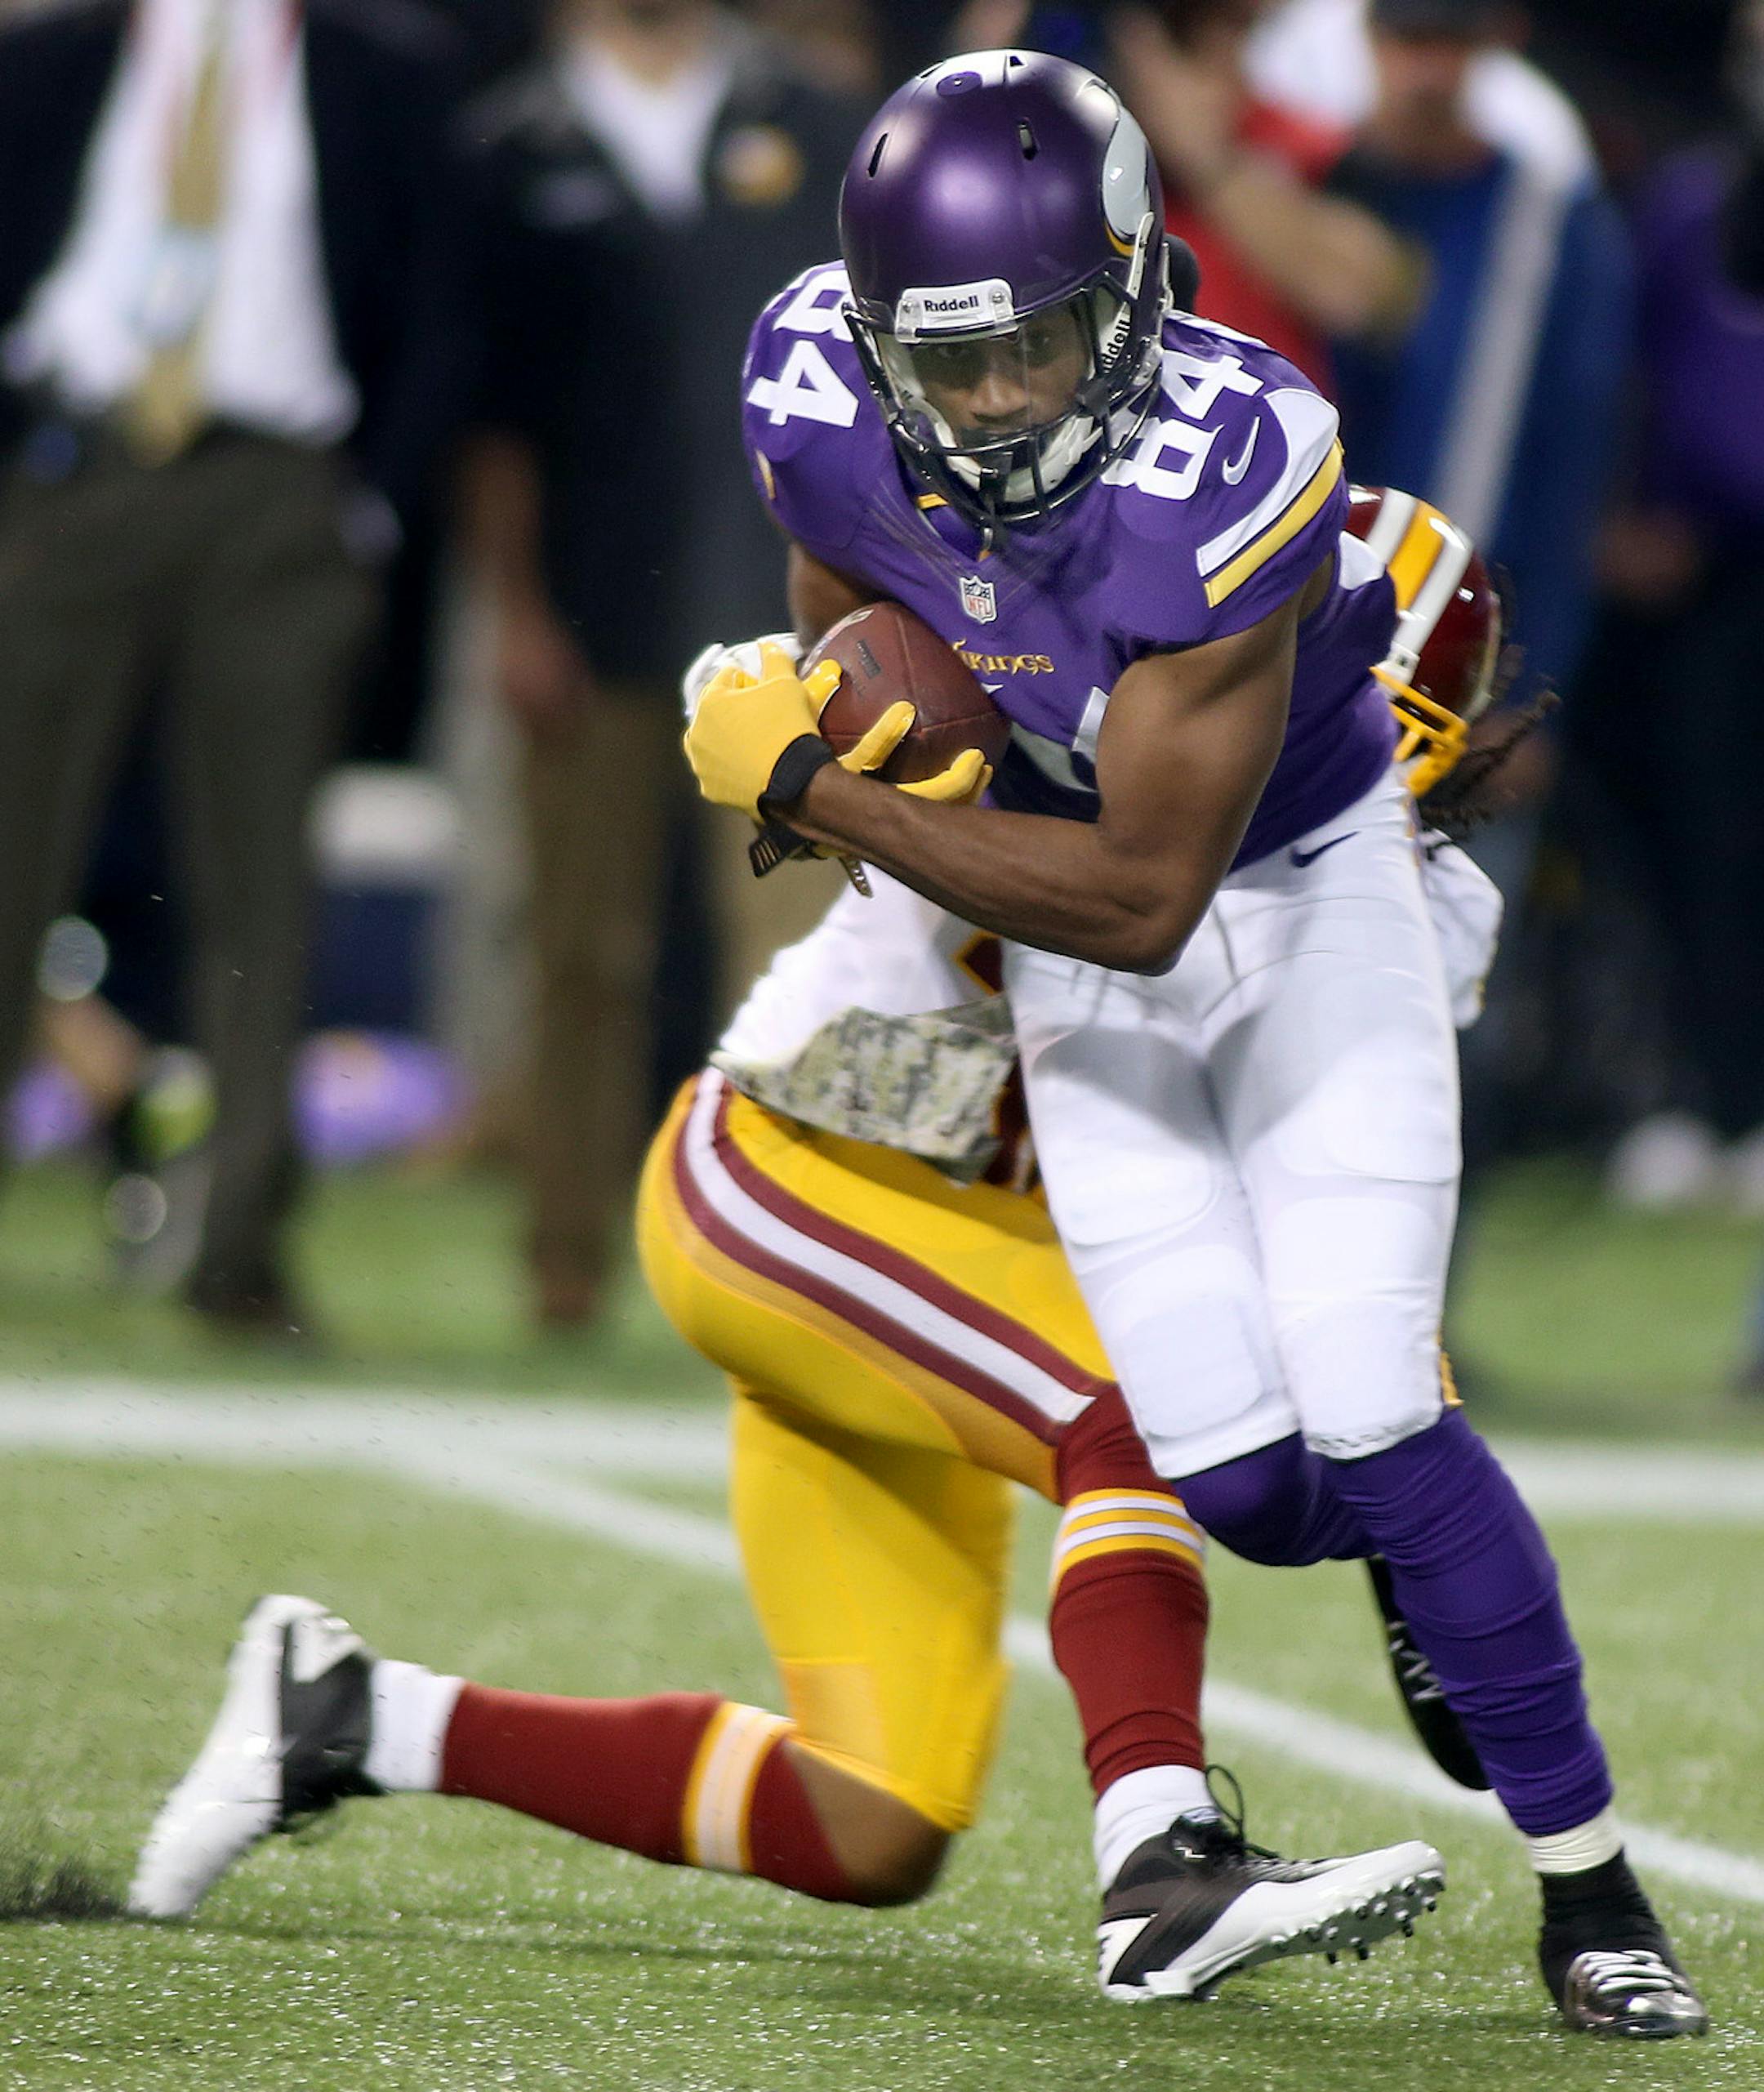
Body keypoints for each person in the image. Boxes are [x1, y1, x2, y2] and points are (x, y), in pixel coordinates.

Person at [683, 48, 1707, 2037]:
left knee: (1371, 1398)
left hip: (1293, 900)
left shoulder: (1234, 452)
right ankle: (1433, 1556)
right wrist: (860, 710)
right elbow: (858, 587)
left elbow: (1149, 894)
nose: (995, 401)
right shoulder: (811, 389)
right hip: (1060, 920)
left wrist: (824, 787)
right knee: (1239, 1482)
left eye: (1042, 346)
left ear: (1142, 287)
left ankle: (1596, 1895)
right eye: (952, 359)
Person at [127, 863, 1451, 2004]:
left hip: (952, 1263)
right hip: (798, 1174)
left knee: (874, 1821)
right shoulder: (1137, 737)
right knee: (1146, 1410)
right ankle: (1166, 1861)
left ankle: (358, 1716)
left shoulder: (1390, 892)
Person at [0, 0, 472, 1337]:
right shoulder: (52, 56)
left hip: (279, 498)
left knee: (260, 896)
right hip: (72, 473)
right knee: (9, 857)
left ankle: (241, 1247)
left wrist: (365, 508)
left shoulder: (381, 68)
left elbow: (438, 304)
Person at [458, 0, 866, 1329]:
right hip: (592, 614)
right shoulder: (516, 143)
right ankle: (565, 1261)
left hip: (786, 611)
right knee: (585, 952)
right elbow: (491, 414)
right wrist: (515, 606)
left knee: (801, 953)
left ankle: (807, 1261)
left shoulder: (812, 121)